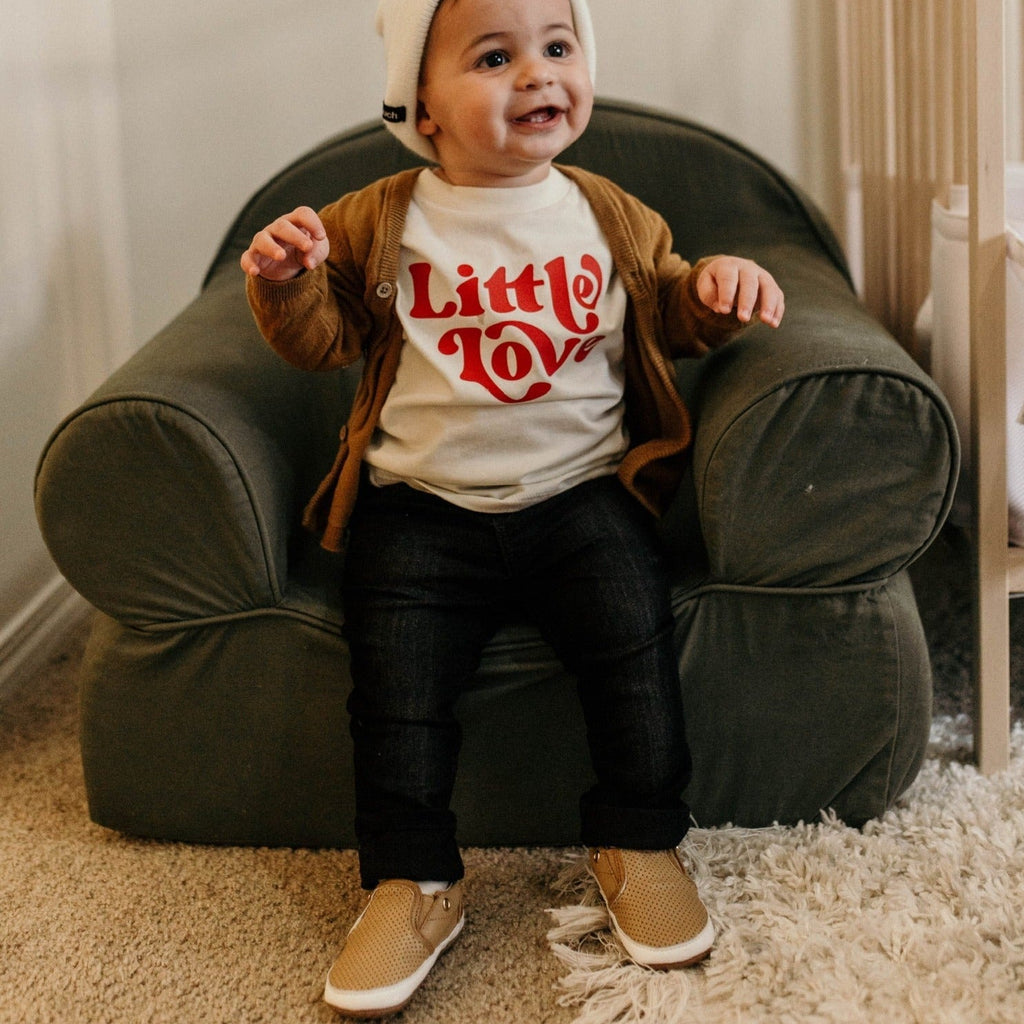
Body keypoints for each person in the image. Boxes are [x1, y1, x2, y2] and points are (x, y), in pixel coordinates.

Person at [241, 0, 785, 1016]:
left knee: (632, 647)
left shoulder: (609, 209)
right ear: (424, 107)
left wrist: (714, 287)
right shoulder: (382, 215)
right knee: (395, 687)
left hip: (581, 495)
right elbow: (323, 339)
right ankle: (414, 878)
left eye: (557, 47)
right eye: (494, 57)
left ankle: (636, 839)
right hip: (420, 507)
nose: (536, 74)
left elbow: (668, 302)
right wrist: (291, 282)